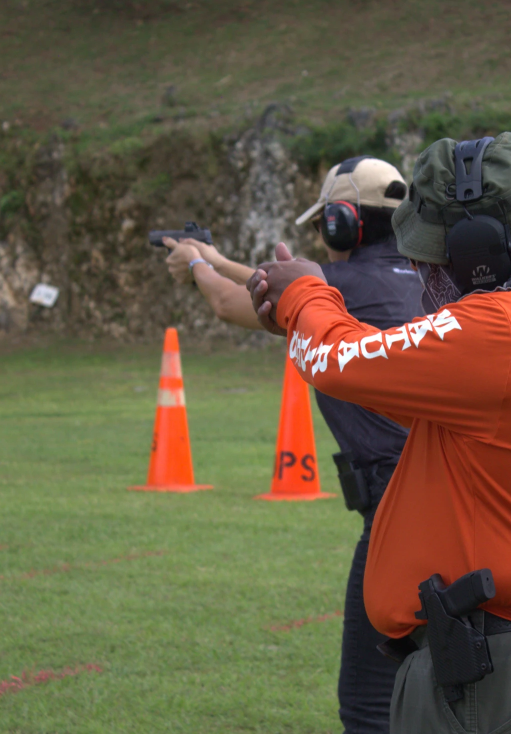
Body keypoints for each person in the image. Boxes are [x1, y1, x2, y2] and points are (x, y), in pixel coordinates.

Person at [248, 133, 511, 734]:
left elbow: (335, 360)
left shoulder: (501, 329)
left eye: (432, 249)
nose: (422, 268)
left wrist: (304, 289)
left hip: (510, 666)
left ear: (477, 252)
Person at [163, 156, 423, 734]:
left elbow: (232, 304)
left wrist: (199, 266)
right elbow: (272, 283)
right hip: (444, 497)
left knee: (366, 704)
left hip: (394, 511)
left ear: (340, 225)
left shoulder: (338, 286)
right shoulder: (428, 278)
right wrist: (215, 257)